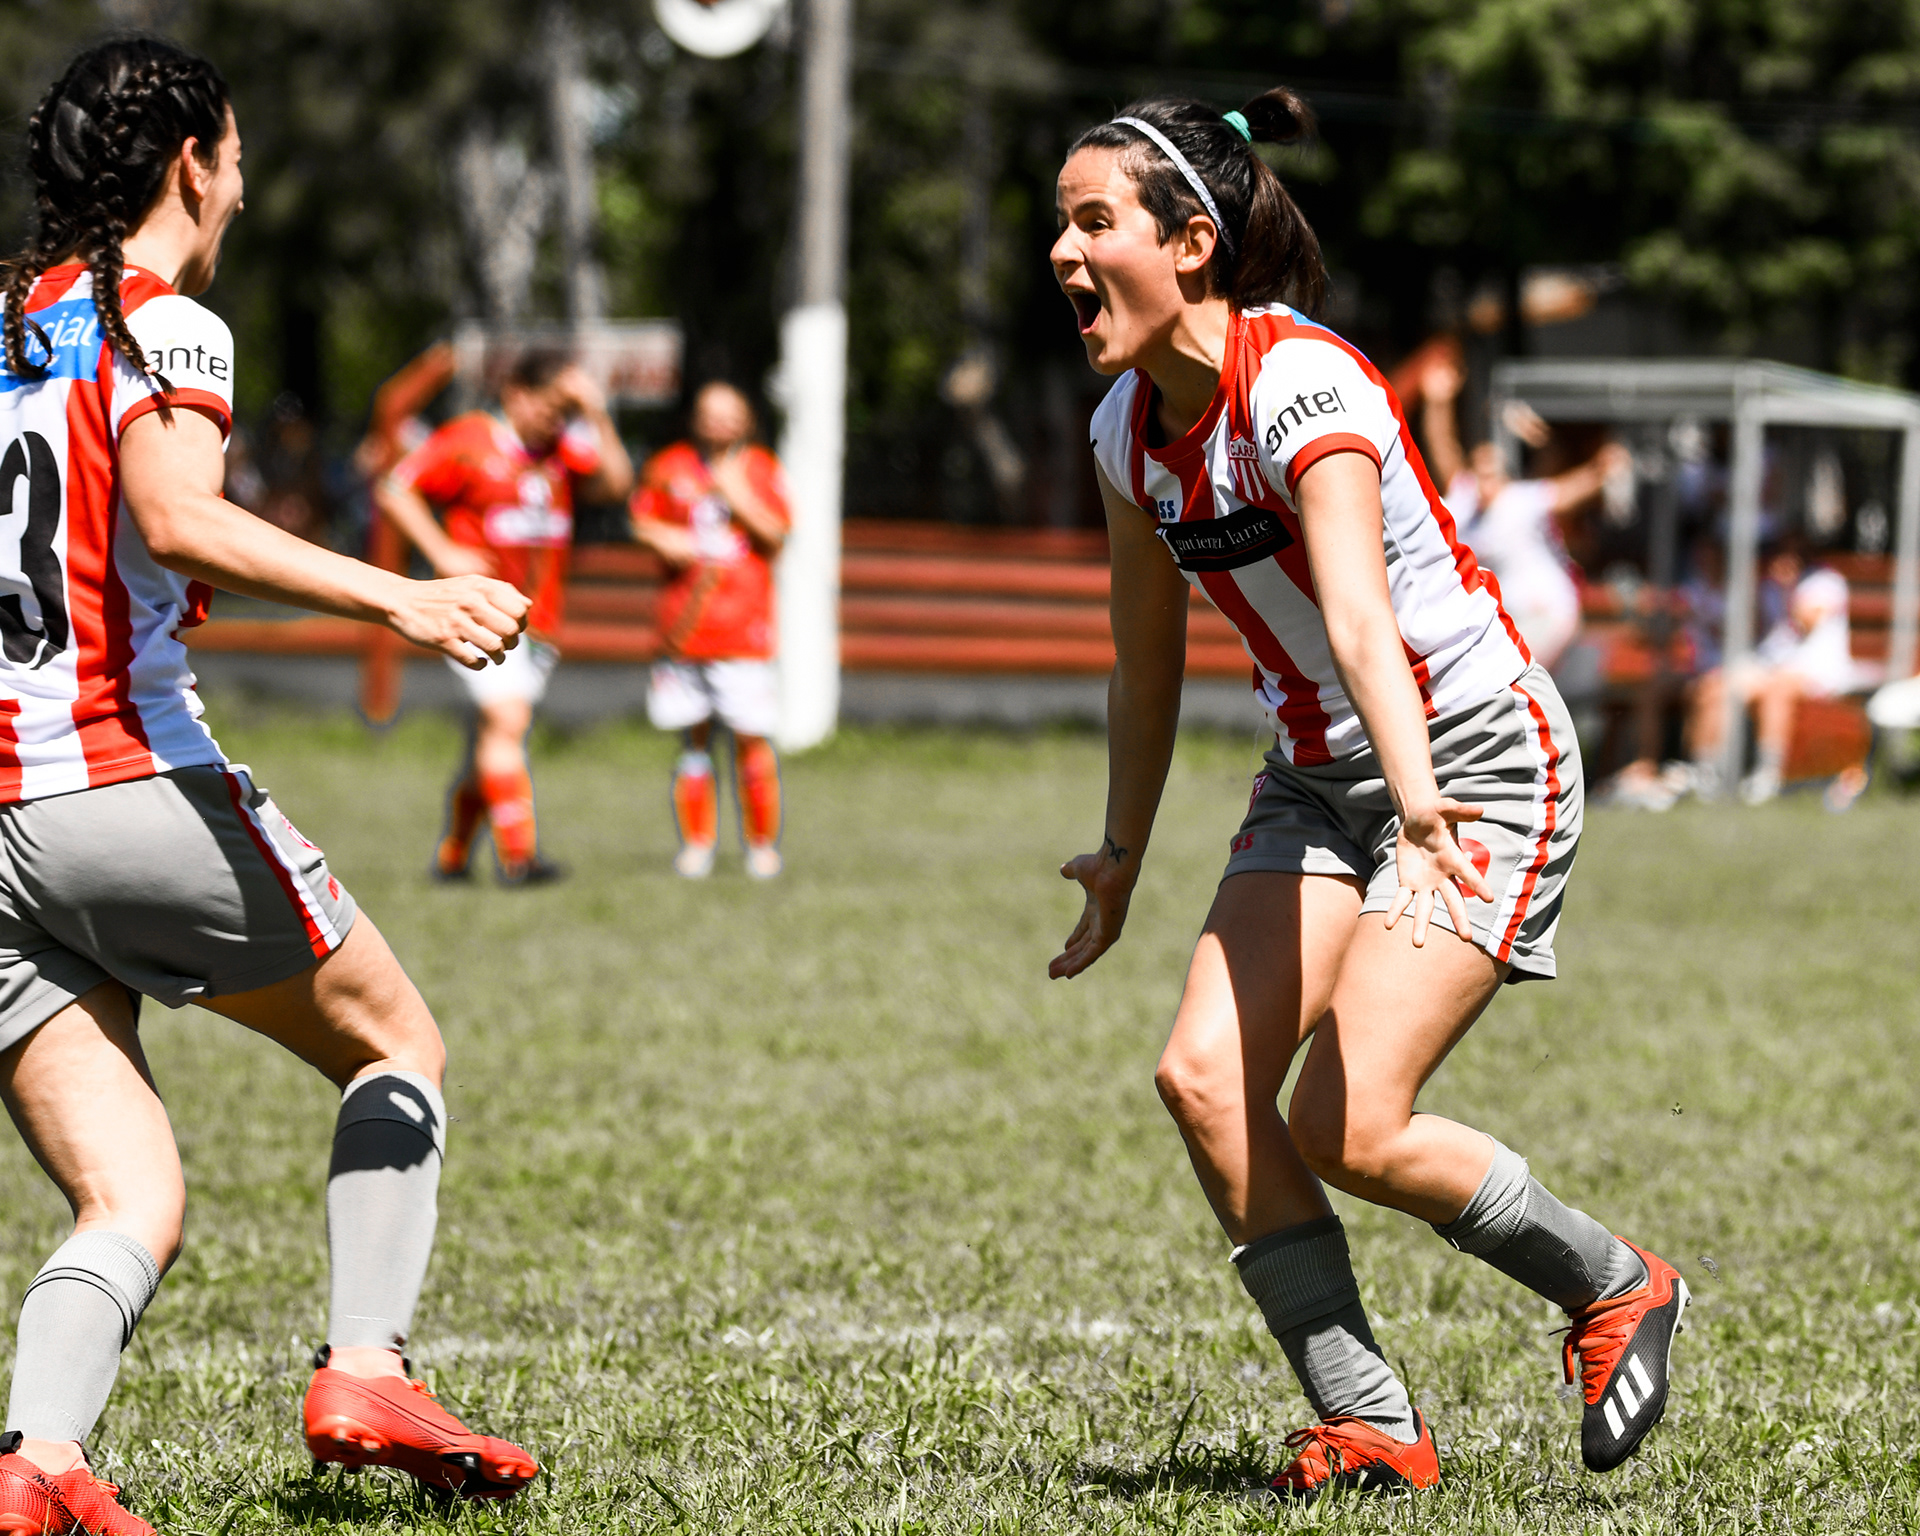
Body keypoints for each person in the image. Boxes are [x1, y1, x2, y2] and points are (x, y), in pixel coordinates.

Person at [1047, 90, 1688, 1501]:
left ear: (1192, 243)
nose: (1064, 253)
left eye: (1095, 222)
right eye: (1062, 225)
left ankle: (1618, 1285)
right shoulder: (1123, 432)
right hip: (1319, 778)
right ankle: (1370, 1422)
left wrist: (1422, 807)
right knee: (1204, 1080)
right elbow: (1145, 662)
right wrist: (1119, 853)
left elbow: (1358, 620)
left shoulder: (1302, 385)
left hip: (1470, 761)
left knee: (1349, 1122)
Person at [0, 40, 542, 1531]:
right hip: (117, 782)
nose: (242, 188)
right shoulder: (164, 321)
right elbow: (179, 517)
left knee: (130, 1196)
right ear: (192, 164)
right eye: (236, 158)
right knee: (394, 1041)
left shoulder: (6, 329)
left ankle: (36, 1462)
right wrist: (405, 597)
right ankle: (367, 1367)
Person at [376, 350, 632, 885]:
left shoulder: (561, 452)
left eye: (565, 412)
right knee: (508, 722)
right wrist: (442, 551)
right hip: (479, 613)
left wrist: (597, 412)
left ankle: (452, 858)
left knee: (492, 741)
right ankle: (520, 859)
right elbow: (395, 488)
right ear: (517, 393)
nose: (555, 420)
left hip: (539, 621)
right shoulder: (470, 438)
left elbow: (616, 486)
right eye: (550, 406)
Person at [630, 382, 790, 879]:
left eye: (730, 413)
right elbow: (640, 520)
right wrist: (663, 536)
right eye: (709, 413)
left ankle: (761, 846)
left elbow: (778, 534)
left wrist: (737, 497)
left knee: (751, 738)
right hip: (683, 628)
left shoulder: (761, 469)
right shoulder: (669, 466)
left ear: (746, 420)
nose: (719, 422)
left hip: (743, 629)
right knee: (693, 740)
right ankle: (697, 844)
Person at [1419, 356, 1629, 673]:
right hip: (1514, 616)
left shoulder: (1517, 500)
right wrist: (1437, 402)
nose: (1487, 482)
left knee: (1504, 675)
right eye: (1481, 472)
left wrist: (1600, 470)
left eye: (1493, 473)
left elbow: (1567, 493)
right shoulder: (1465, 501)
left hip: (1547, 612)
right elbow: (1443, 447)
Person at [1686, 535, 1862, 805]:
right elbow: (1753, 628)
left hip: (1817, 670)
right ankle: (1706, 773)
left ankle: (1768, 773)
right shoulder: (1766, 584)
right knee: (1716, 686)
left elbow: (1806, 623)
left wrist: (1787, 589)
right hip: (1769, 664)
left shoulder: (1825, 581)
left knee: (1777, 690)